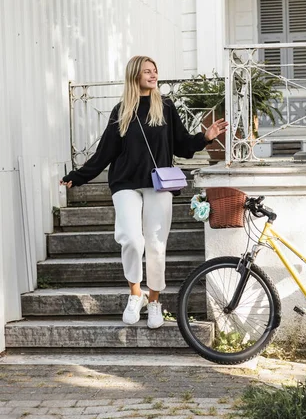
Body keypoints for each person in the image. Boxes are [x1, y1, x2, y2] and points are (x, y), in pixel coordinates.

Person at [60, 55, 228, 330]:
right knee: (131, 239)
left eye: (155, 70)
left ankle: (155, 302)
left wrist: (205, 137)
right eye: (147, 71)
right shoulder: (121, 110)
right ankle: (135, 295)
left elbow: (183, 146)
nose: (153, 75)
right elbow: (105, 153)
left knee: (156, 245)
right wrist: (77, 177)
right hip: (125, 182)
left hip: (158, 184)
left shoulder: (166, 107)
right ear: (135, 76)